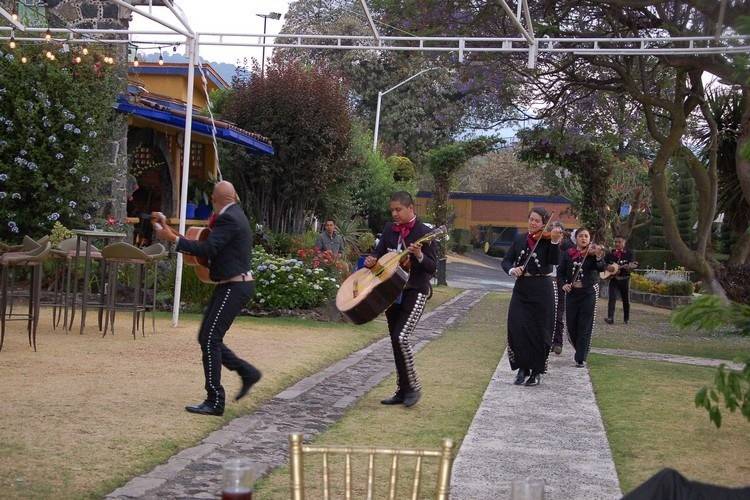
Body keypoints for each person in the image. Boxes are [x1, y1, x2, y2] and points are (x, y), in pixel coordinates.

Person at [153, 181, 262, 416]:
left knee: (210, 338)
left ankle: (215, 399)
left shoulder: (228, 218)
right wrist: (172, 234)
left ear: (215, 199)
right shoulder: (235, 214)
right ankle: (247, 372)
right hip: (232, 285)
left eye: (211, 199)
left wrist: (170, 239)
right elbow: (206, 245)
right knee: (207, 337)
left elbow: (207, 249)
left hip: (235, 286)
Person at [364, 191, 437, 407]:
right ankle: (402, 390)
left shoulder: (425, 232)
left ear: (410, 208)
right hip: (390, 293)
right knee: (395, 342)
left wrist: (419, 256)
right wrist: (371, 260)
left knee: (401, 337)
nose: (394, 214)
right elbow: (378, 253)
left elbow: (432, 267)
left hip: (415, 291)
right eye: (392, 210)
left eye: (398, 210)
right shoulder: (388, 229)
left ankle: (413, 387)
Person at [501, 208, 563, 386]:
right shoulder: (520, 239)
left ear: (544, 223)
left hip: (542, 288)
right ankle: (522, 367)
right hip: (522, 288)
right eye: (531, 219)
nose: (533, 223)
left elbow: (553, 261)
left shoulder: (547, 239)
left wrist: (554, 242)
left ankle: (536, 371)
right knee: (517, 327)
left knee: (540, 330)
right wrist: (512, 270)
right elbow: (506, 261)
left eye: (537, 221)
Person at [558, 228, 606, 368]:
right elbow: (560, 273)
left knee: (585, 324)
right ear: (576, 238)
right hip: (572, 293)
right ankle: (579, 348)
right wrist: (564, 285)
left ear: (589, 239)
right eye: (581, 236)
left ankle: (580, 357)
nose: (583, 238)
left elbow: (601, 268)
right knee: (572, 324)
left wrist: (598, 256)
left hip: (588, 293)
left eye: (586, 236)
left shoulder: (592, 253)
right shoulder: (568, 253)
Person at [551, 221, 574, 355]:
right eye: (554, 231)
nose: (557, 234)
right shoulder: (546, 243)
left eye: (559, 232)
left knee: (559, 314)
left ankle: (558, 342)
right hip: (546, 282)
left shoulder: (568, 248)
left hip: (560, 283)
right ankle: (547, 340)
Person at [604, 235, 637, 325]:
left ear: (624, 243)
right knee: (612, 298)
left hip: (625, 279)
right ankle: (610, 318)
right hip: (613, 279)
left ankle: (626, 318)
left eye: (619, 242)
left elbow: (634, 264)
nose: (617, 244)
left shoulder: (629, 253)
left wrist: (629, 266)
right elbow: (603, 264)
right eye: (616, 242)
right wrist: (608, 268)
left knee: (625, 299)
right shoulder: (610, 253)